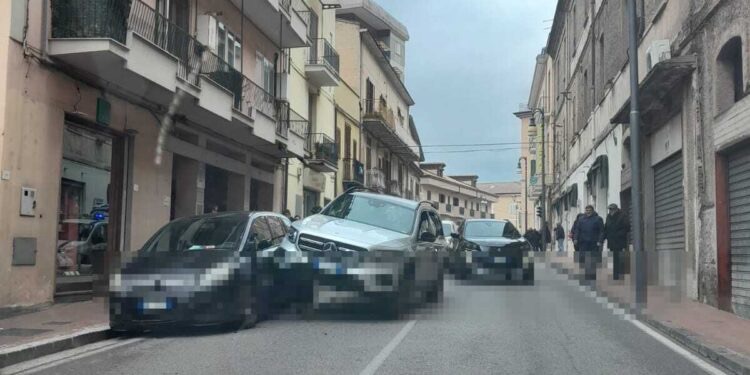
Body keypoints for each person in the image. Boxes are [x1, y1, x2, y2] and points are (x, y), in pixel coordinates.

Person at [572, 205, 604, 280]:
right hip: (583, 243)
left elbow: (602, 231)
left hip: (594, 243)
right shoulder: (581, 219)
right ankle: (586, 274)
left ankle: (592, 275)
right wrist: (575, 239)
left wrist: (600, 241)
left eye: (589, 210)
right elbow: (577, 230)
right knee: (584, 259)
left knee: (592, 259)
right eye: (587, 210)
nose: (588, 212)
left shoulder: (598, 219)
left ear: (592, 211)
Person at [600, 203, 630, 280]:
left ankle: (621, 274)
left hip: (620, 240)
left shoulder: (623, 216)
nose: (610, 211)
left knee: (620, 257)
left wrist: (619, 234)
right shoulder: (608, 217)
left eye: (612, 209)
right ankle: (616, 275)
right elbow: (606, 228)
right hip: (612, 241)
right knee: (615, 258)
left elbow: (627, 227)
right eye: (609, 209)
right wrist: (602, 239)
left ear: (616, 209)